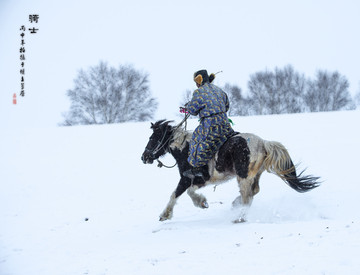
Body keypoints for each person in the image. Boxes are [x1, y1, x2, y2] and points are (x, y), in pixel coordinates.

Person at [183, 69, 235, 180]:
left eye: (196, 82)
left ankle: (198, 167)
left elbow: (192, 110)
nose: (196, 84)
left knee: (196, 138)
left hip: (211, 124)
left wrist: (188, 107)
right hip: (225, 123)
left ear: (199, 80)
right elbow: (226, 106)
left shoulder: (199, 92)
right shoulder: (219, 90)